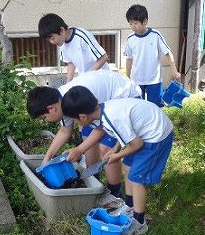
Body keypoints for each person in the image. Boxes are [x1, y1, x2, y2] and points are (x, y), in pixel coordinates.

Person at [61, 87, 174, 235]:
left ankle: (139, 222)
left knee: (136, 178)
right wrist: (115, 149)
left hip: (156, 135)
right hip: (145, 131)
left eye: (75, 120)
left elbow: (137, 144)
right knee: (127, 166)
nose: (77, 123)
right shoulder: (104, 110)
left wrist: (117, 156)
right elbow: (122, 134)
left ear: (82, 117)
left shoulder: (112, 117)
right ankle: (129, 206)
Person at [26, 70, 142, 209]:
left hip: (124, 99)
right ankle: (94, 183)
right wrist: (47, 158)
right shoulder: (62, 101)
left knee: (105, 148)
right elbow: (65, 130)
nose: (46, 120)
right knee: (87, 137)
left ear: (51, 108)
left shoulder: (78, 98)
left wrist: (79, 149)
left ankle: (114, 192)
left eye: (44, 117)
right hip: (101, 107)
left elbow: (103, 127)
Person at [124, 4, 181, 107]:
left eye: (135, 23)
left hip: (154, 80)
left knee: (156, 107)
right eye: (130, 23)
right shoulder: (130, 38)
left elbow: (168, 53)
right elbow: (129, 59)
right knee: (138, 107)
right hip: (136, 80)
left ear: (145, 21)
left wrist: (174, 70)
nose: (133, 26)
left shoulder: (155, 35)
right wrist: (127, 78)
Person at [38, 13, 109, 82]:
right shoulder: (62, 43)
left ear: (62, 30)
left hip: (102, 79)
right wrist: (68, 85)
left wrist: (87, 78)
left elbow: (104, 57)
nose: (51, 42)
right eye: (49, 40)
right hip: (87, 80)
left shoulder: (81, 36)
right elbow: (71, 63)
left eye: (52, 38)